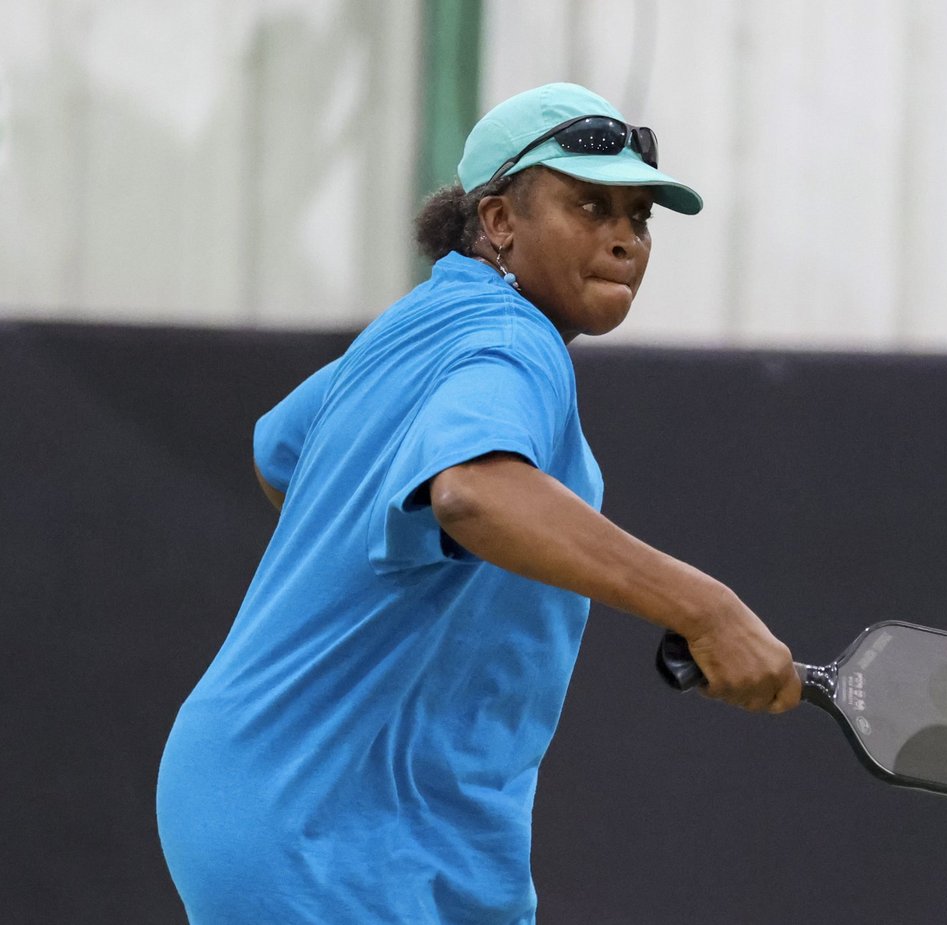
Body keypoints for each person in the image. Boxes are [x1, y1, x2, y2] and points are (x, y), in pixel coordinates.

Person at [156, 82, 801, 924]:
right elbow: (473, 492)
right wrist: (706, 609)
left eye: (637, 217)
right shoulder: (510, 339)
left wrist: (384, 583)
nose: (623, 240)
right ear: (499, 221)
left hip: (334, 803)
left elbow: (280, 451)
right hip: (320, 817)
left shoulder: (421, 322)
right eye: (587, 205)